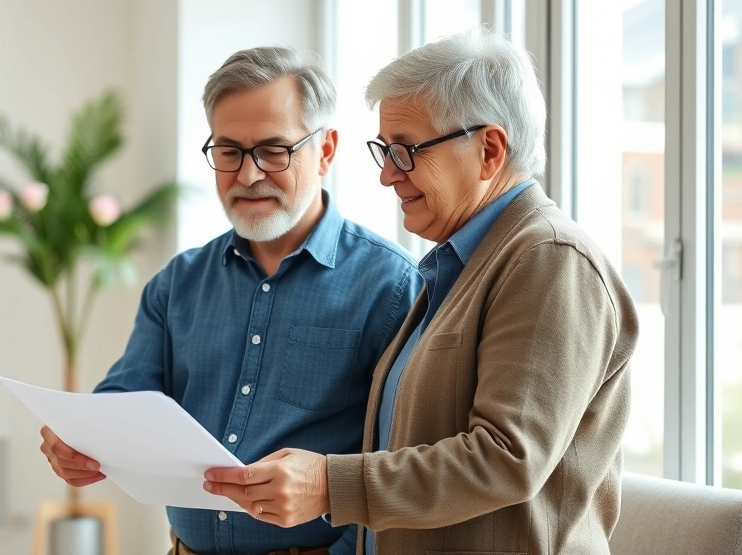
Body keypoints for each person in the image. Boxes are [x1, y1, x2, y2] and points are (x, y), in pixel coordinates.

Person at [203, 27, 640, 555]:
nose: (388, 175)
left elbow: (506, 456)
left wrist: (329, 485)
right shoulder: (460, 263)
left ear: (490, 150)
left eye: (406, 151)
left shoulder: (548, 260)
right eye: (384, 151)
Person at [39, 46, 422, 555]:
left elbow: (402, 461)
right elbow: (127, 400)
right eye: (229, 152)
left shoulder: (391, 286)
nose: (247, 175)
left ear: (326, 150)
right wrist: (80, 441)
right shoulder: (177, 282)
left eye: (273, 150)